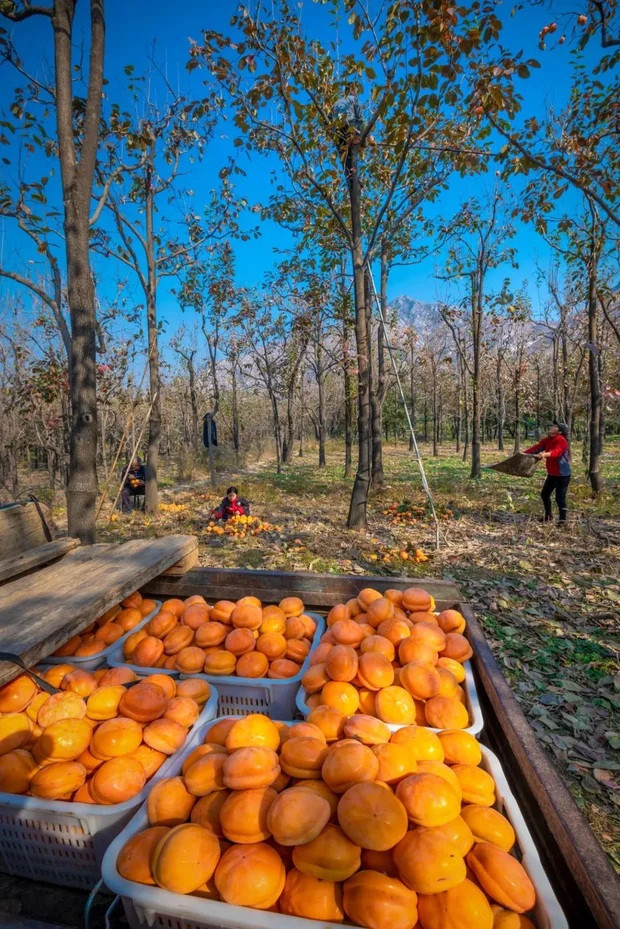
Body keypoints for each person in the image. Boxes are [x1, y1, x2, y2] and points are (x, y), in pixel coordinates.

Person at [524, 423, 571, 523]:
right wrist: (524, 454)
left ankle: (563, 521)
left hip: (562, 475)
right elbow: (537, 448)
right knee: (544, 494)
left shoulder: (561, 440)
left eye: (555, 427)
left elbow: (556, 452)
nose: (551, 427)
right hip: (552, 474)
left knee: (560, 498)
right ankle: (548, 516)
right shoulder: (548, 440)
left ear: (559, 432)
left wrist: (545, 454)